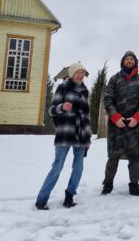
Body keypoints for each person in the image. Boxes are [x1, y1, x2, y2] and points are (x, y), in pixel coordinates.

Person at [35, 63, 91, 210]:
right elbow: (51, 110)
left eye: (82, 73)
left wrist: (88, 138)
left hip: (81, 134)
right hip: (65, 132)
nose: (80, 75)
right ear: (72, 74)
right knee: (57, 166)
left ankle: (69, 196)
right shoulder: (63, 87)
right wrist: (61, 107)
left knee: (78, 168)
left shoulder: (85, 91)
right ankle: (42, 199)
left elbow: (86, 116)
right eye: (78, 72)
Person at [102, 50, 139, 196]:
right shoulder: (114, 79)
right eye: (127, 59)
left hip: (135, 125)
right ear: (123, 62)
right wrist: (116, 117)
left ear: (135, 62)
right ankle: (107, 185)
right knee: (113, 157)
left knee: (134, 158)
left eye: (132, 59)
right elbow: (108, 99)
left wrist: (137, 117)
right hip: (117, 126)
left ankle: (134, 186)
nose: (129, 61)